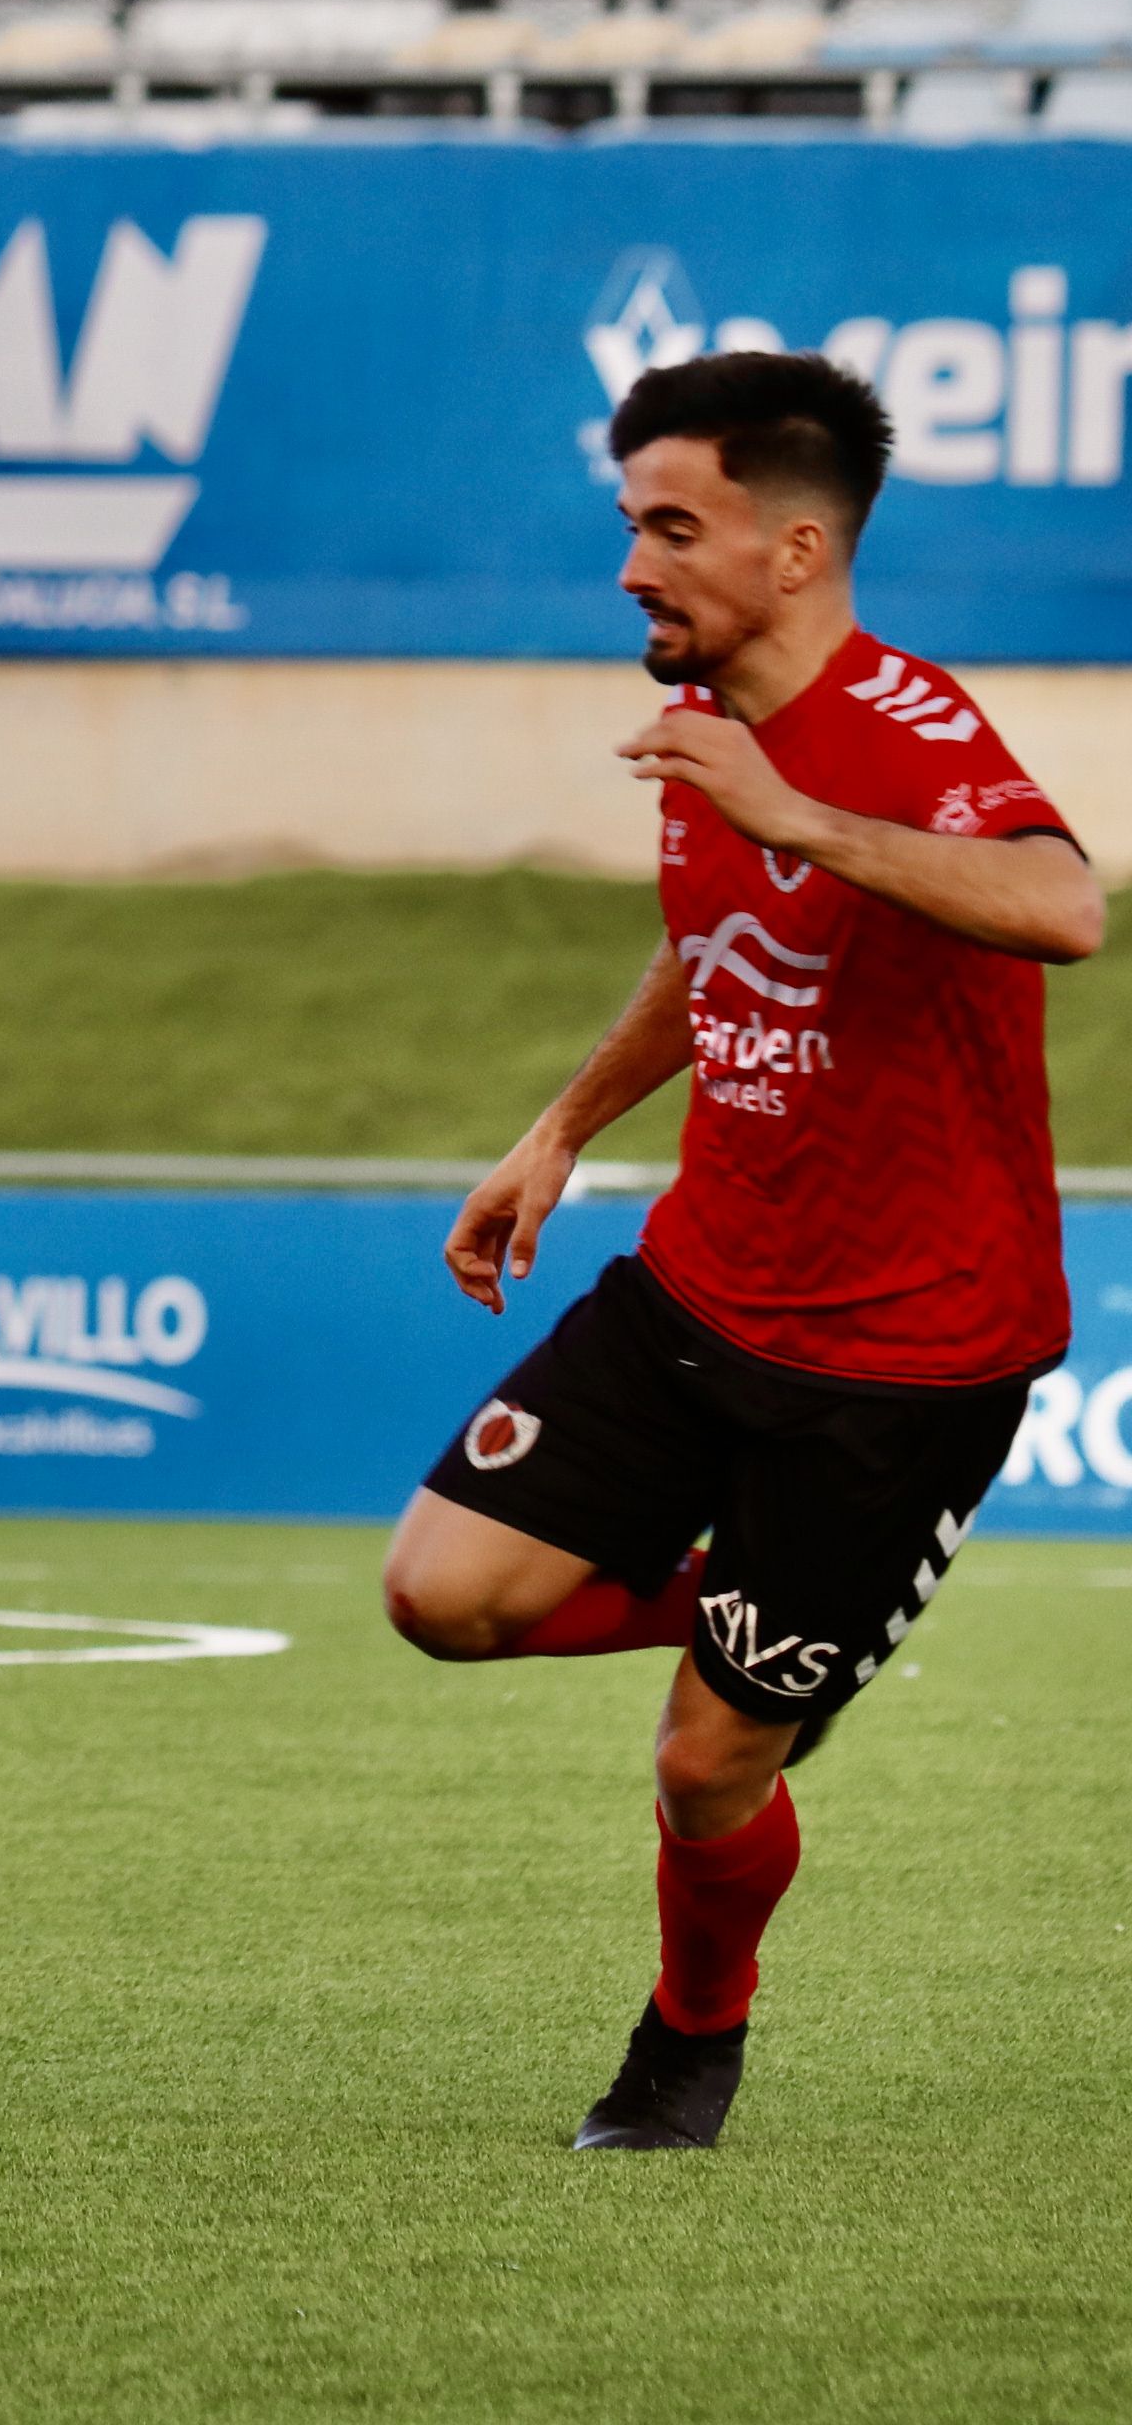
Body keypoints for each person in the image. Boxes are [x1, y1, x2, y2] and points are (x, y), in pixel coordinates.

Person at [382, 349, 1100, 2150]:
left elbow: (1061, 903)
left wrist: (802, 815)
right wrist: (562, 1126)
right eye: (628, 522)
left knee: (708, 1766)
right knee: (442, 1598)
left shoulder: (906, 729)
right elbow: (718, 955)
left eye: (673, 526)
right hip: (705, 1286)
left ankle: (692, 2039)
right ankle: (779, 1619)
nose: (634, 564)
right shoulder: (708, 729)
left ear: (795, 549)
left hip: (912, 1356)